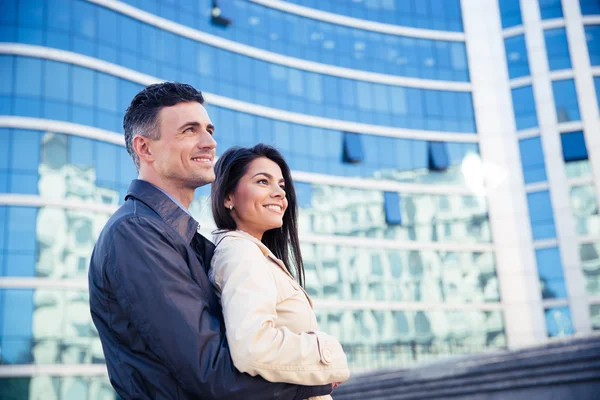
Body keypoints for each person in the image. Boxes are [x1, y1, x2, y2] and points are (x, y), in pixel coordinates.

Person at [88, 82, 333, 399]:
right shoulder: (136, 233)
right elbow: (211, 372)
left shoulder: (185, 238)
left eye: (209, 130)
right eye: (189, 131)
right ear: (145, 148)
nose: (209, 143)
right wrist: (320, 374)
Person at [209, 144, 350, 400]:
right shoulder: (241, 252)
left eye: (281, 186)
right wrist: (327, 354)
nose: (279, 194)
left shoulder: (255, 254)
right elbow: (253, 347)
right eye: (263, 181)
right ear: (228, 197)